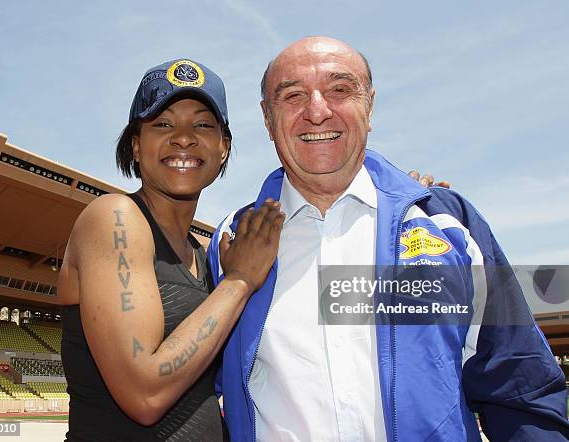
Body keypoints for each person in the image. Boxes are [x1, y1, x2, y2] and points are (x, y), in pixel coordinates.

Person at [207, 37, 569, 441]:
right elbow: (200, 399)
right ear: (267, 117)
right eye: (292, 96)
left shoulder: (449, 224)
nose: (317, 111)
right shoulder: (228, 242)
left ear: (370, 105)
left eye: (340, 90)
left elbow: (520, 384)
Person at [58, 58, 284, 441]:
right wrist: (239, 282)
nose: (183, 138)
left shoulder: (206, 255)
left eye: (202, 125)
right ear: (135, 144)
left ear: (223, 147)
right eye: (162, 124)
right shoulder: (115, 218)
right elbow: (145, 395)